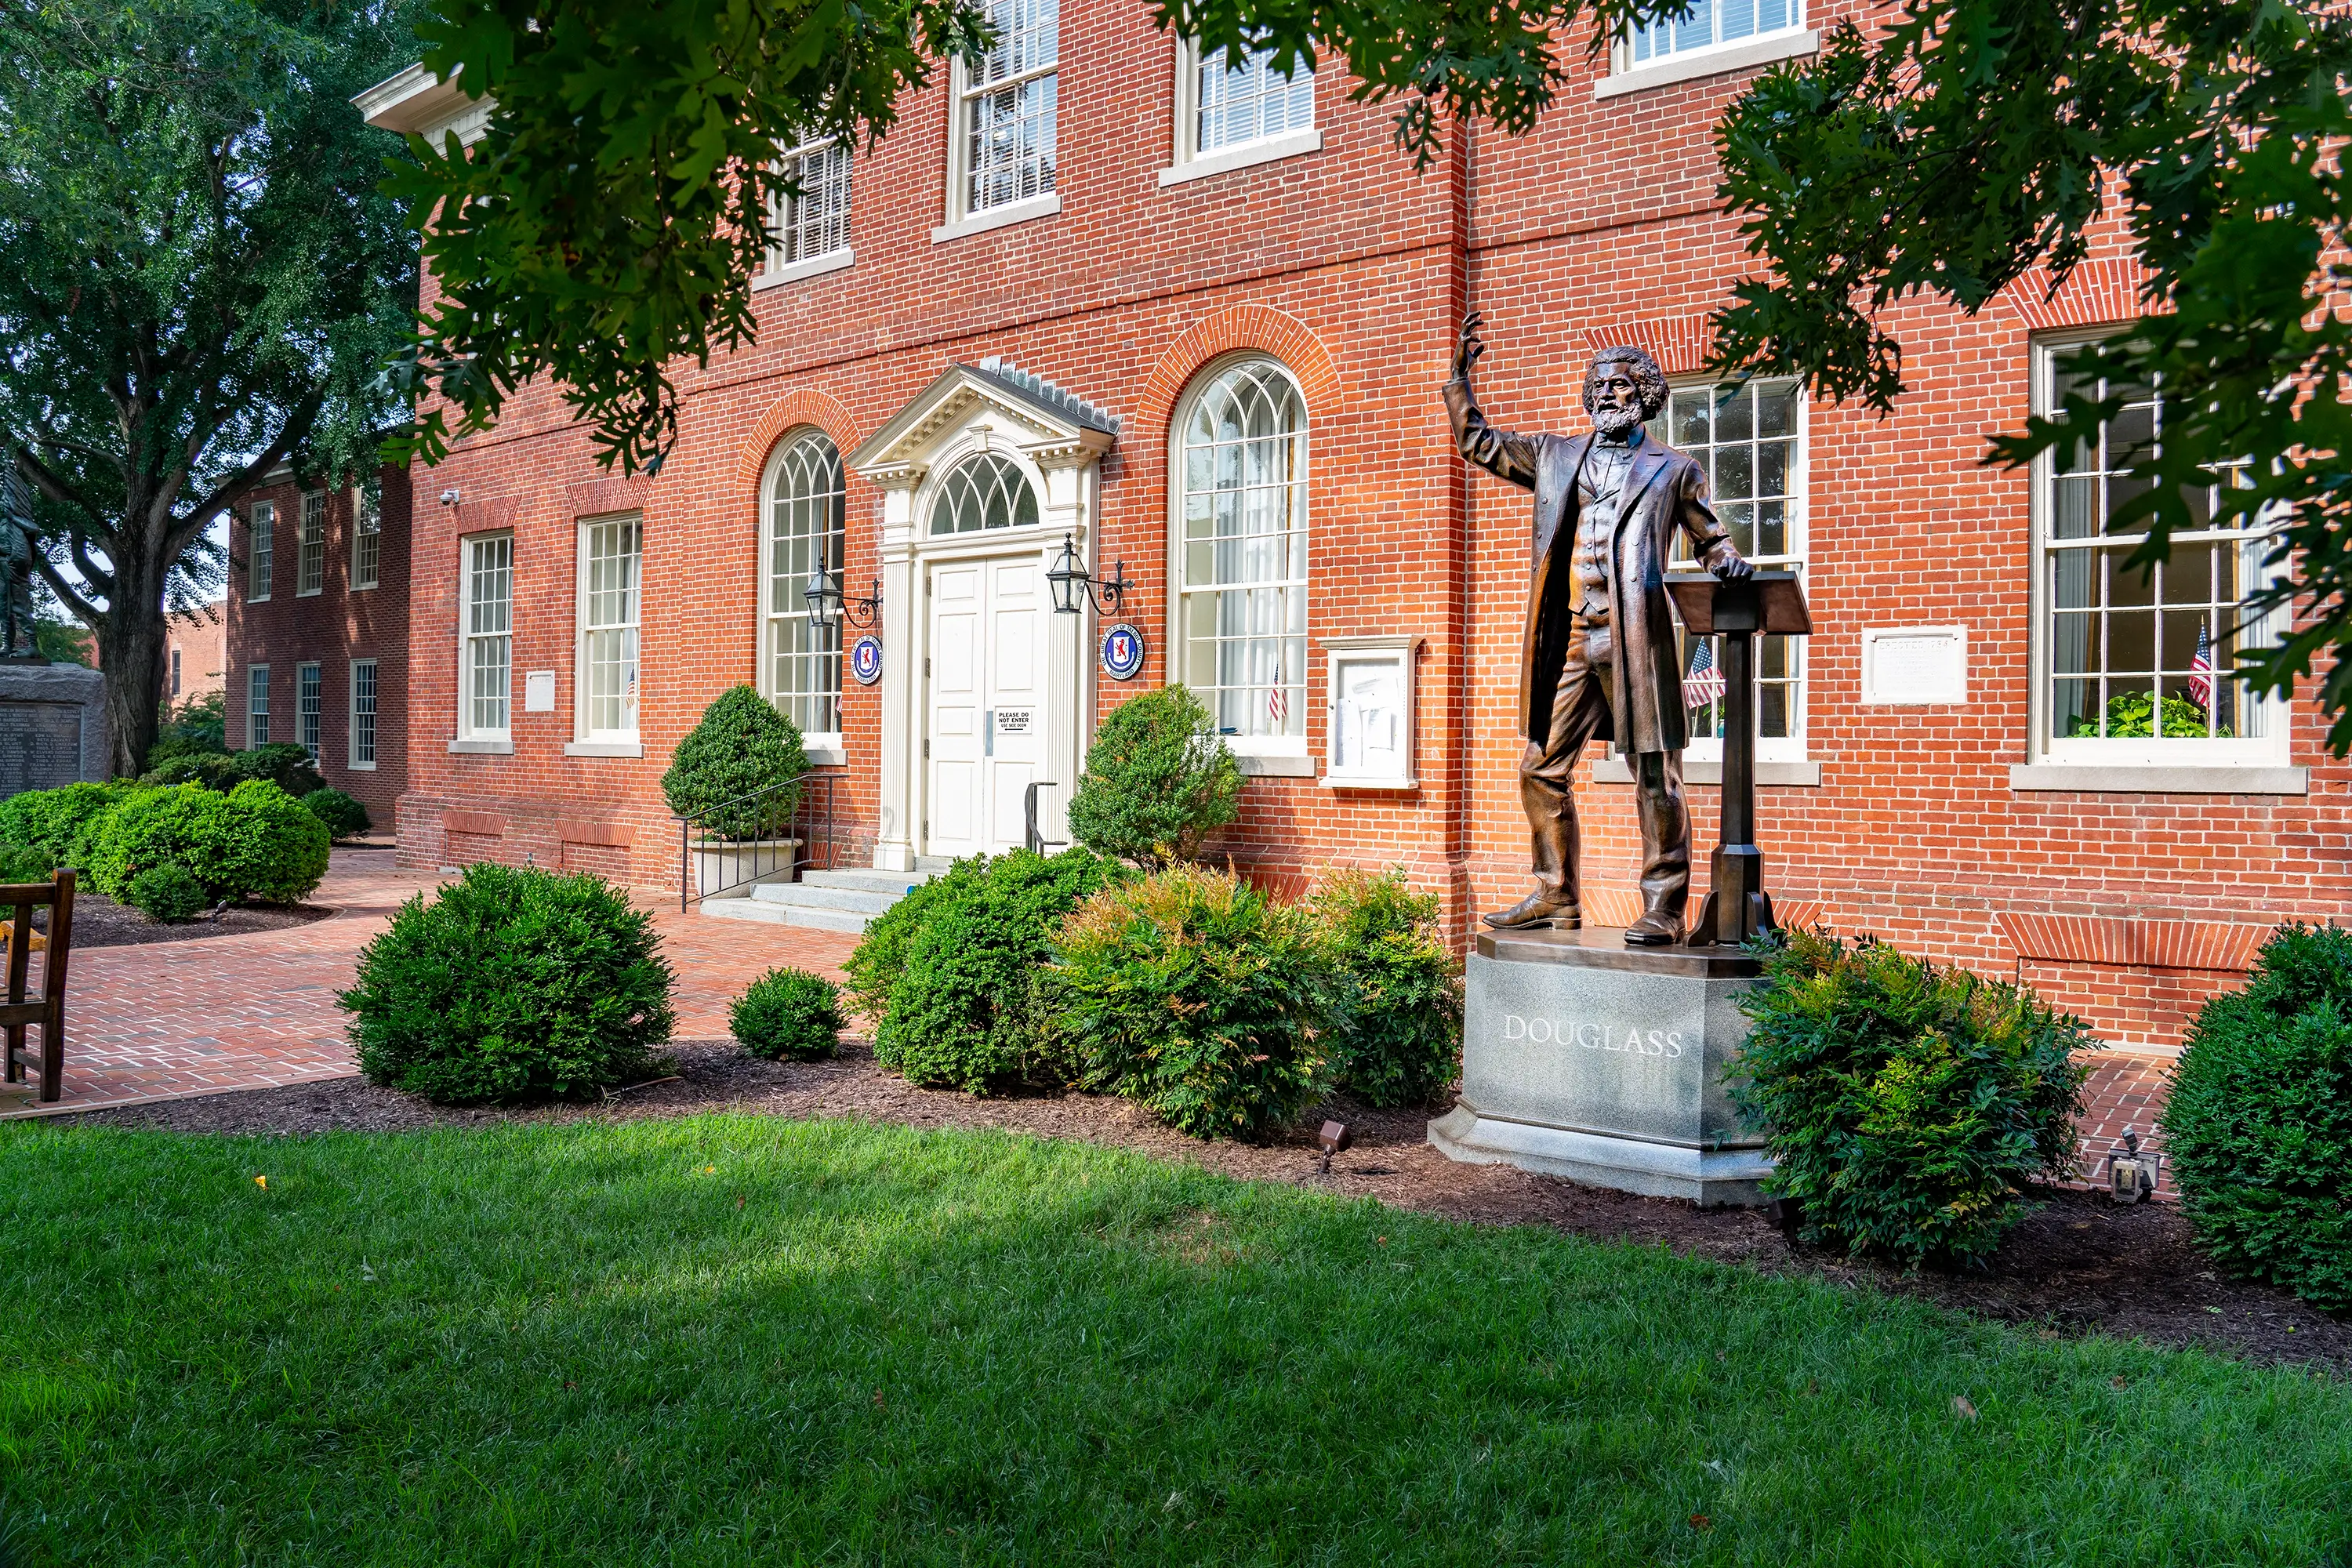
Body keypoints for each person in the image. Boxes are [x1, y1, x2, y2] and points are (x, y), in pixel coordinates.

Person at [1444, 313, 1751, 946]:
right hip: (1573, 641)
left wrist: (1727, 562)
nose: (1608, 394)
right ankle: (1556, 894)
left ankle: (1664, 905)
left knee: (1655, 777)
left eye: (1621, 385)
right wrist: (1459, 381)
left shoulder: (1674, 468)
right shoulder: (1556, 456)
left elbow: (1710, 538)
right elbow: (1480, 444)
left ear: (1645, 396)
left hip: (1636, 639)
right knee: (1540, 765)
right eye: (1599, 385)